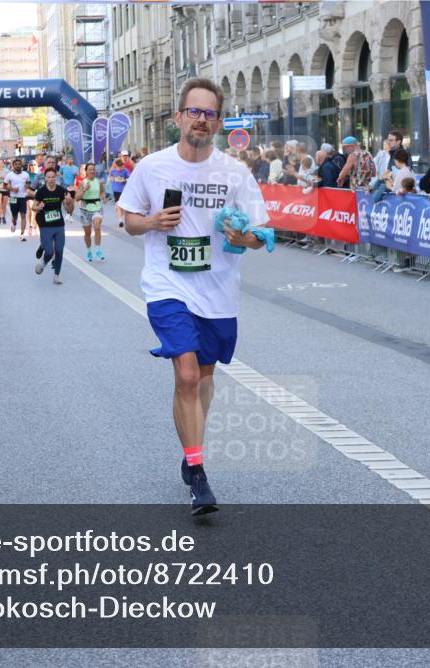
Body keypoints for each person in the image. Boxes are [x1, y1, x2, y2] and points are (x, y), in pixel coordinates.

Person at [119, 77, 269, 515]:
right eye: (194, 111)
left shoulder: (234, 173)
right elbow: (127, 219)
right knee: (185, 376)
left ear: (219, 122)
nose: (201, 119)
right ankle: (198, 474)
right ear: (179, 117)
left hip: (218, 290)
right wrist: (151, 223)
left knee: (204, 380)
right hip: (168, 285)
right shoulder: (152, 167)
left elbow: (261, 235)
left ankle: (191, 450)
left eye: (209, 113)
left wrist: (243, 235)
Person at [32, 167, 75, 283]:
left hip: (58, 224)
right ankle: (43, 262)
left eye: (53, 177)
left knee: (59, 250)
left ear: (56, 178)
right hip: (45, 225)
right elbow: (33, 207)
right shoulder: (41, 191)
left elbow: (68, 209)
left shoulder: (61, 190)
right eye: (49, 177)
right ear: (45, 178)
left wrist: (69, 202)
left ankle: (57, 275)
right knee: (50, 252)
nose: (51, 179)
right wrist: (39, 207)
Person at [74, 162, 106, 261]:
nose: (92, 171)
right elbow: (77, 198)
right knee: (87, 233)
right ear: (86, 171)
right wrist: (84, 189)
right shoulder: (83, 183)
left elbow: (101, 193)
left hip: (97, 208)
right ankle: (89, 251)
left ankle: (98, 250)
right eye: (90, 169)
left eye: (93, 169)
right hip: (85, 210)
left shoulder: (98, 182)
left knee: (97, 227)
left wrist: (103, 197)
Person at [4, 158, 32, 240]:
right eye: (16, 164)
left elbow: (28, 184)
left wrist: (27, 187)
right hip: (13, 197)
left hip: (23, 197)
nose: (17, 165)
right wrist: (12, 189)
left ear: (21, 165)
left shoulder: (26, 175)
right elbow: (4, 186)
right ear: (13, 166)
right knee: (14, 215)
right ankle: (14, 223)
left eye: (19, 164)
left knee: (23, 215)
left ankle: (22, 234)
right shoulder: (9, 175)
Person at [108, 157, 131, 227]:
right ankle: (120, 220)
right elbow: (110, 178)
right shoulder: (113, 171)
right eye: (119, 167)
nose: (121, 168)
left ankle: (123, 218)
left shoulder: (125, 171)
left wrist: (124, 180)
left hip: (124, 190)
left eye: (122, 166)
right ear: (116, 166)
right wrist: (114, 179)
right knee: (118, 205)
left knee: (123, 206)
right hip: (116, 191)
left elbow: (130, 178)